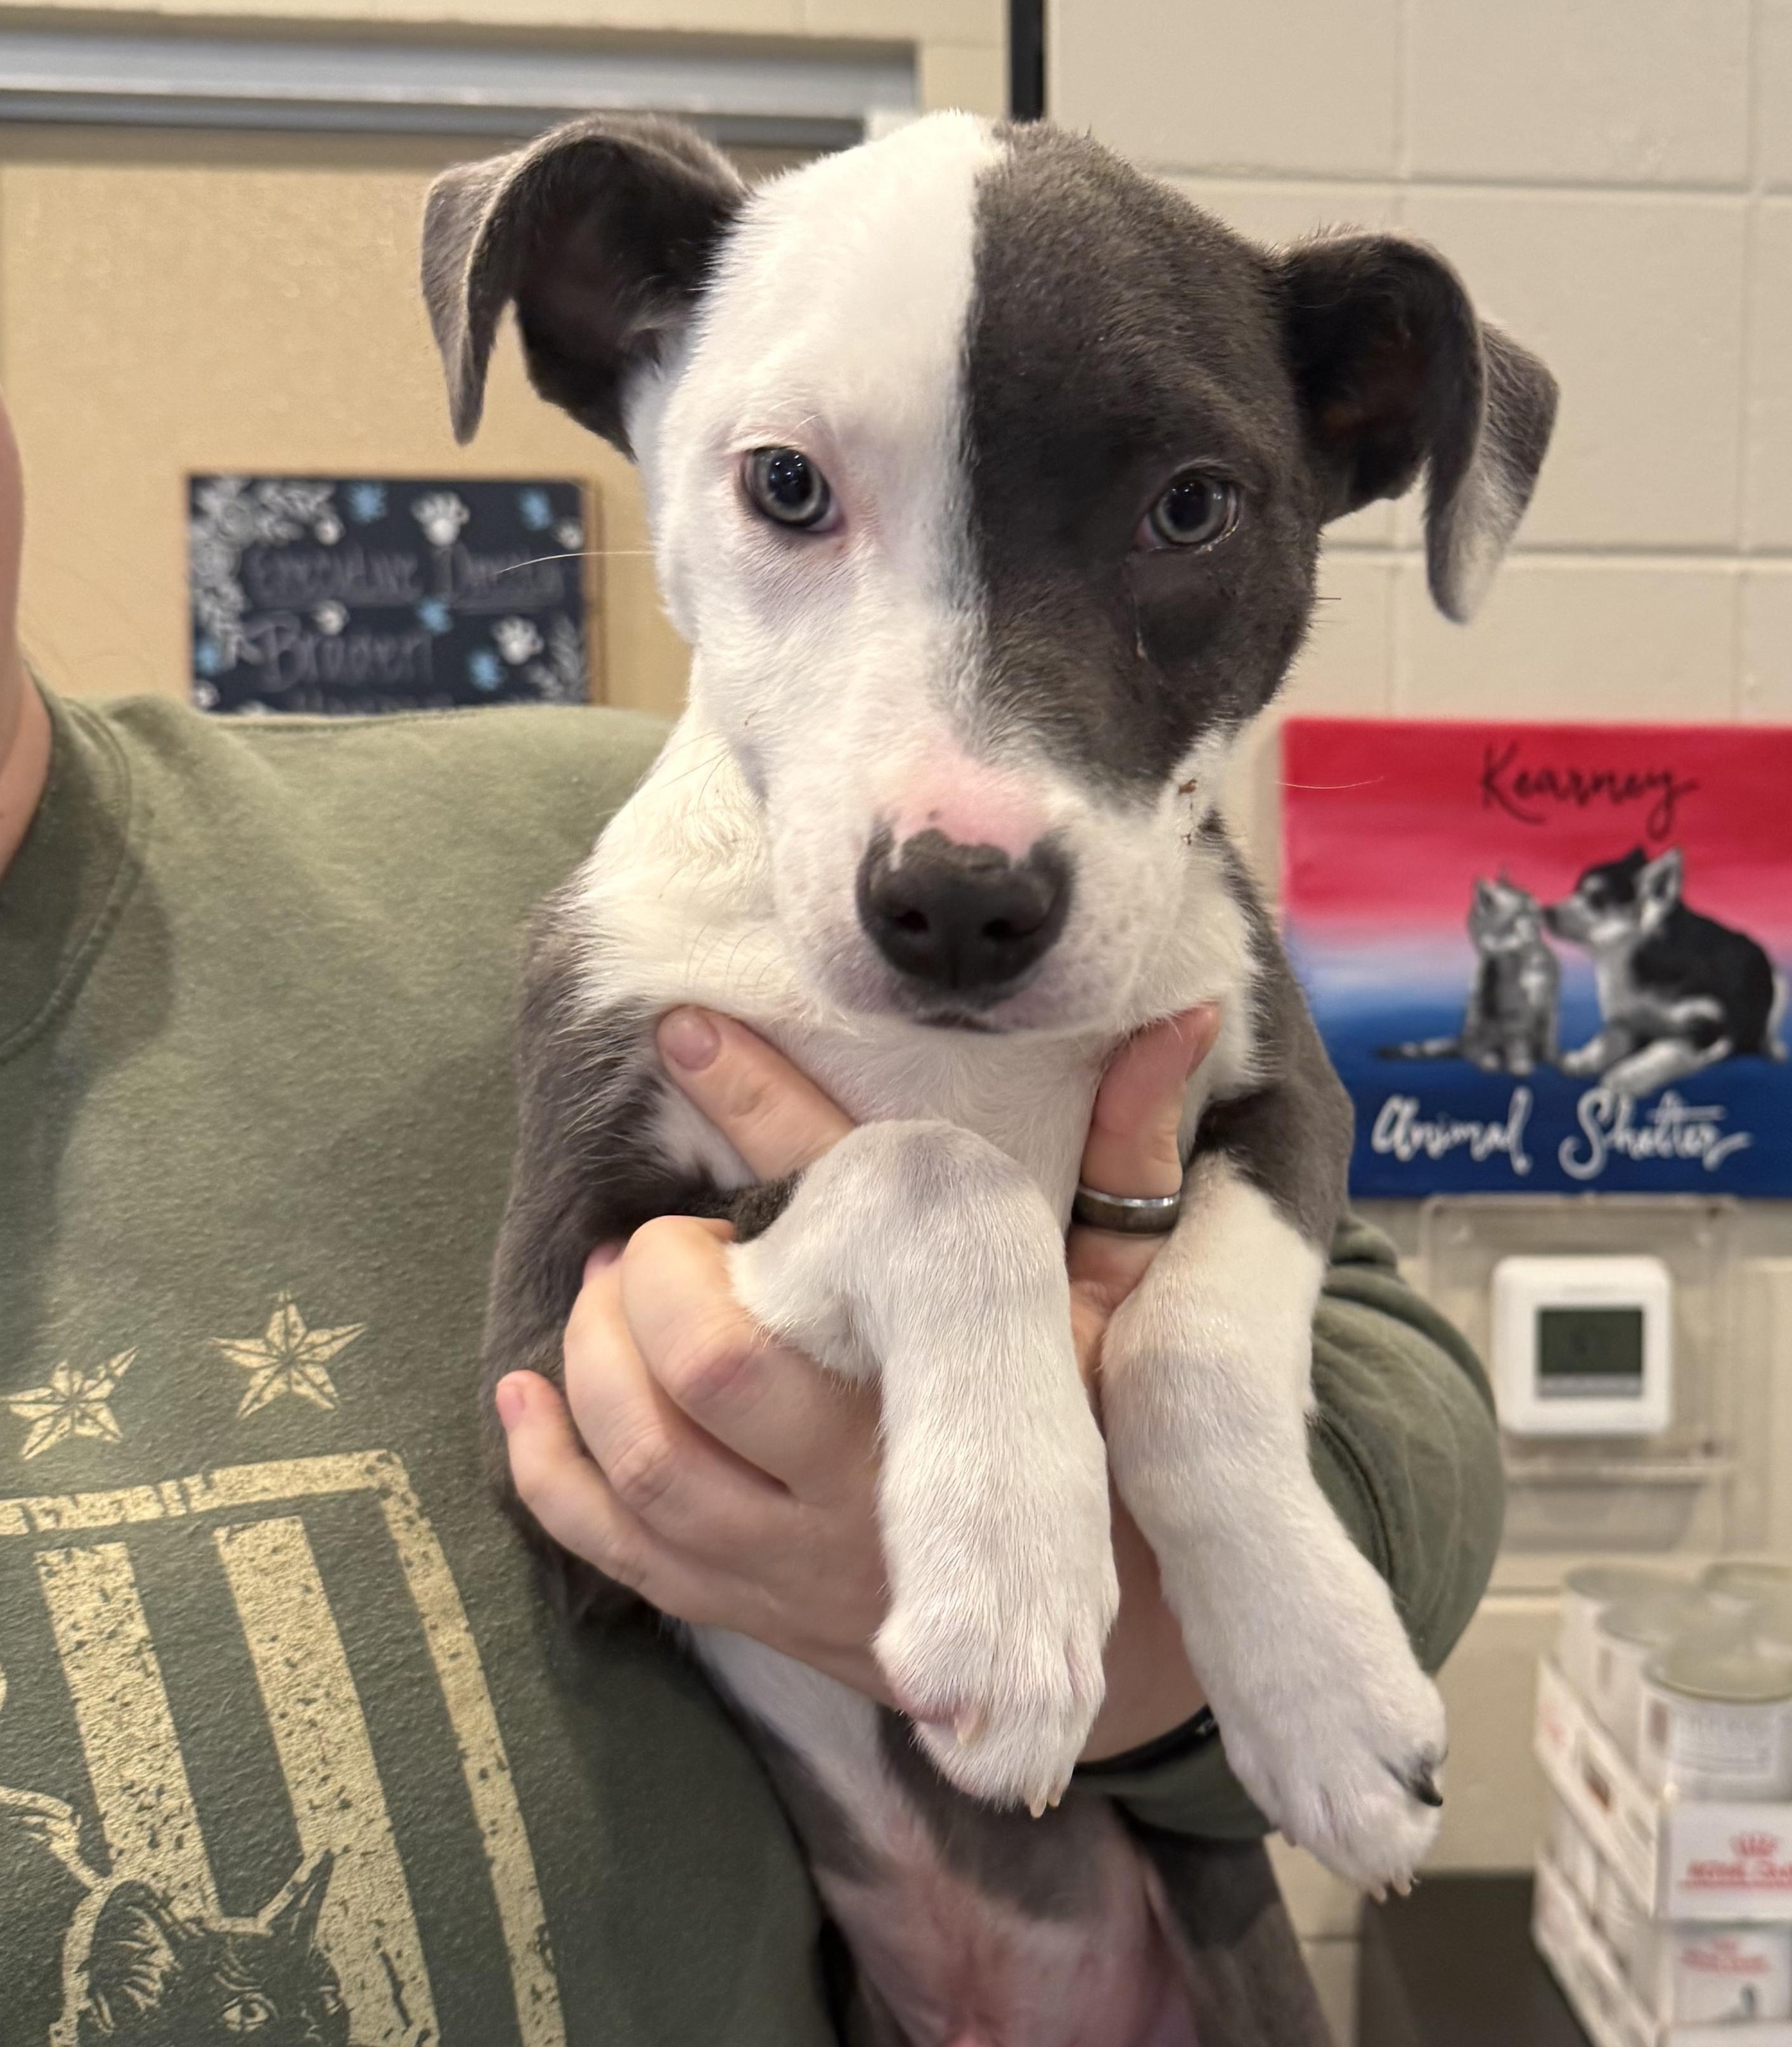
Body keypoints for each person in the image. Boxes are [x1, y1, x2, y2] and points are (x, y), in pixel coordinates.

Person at [0, 374, 1504, 2042]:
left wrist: (1177, 1610)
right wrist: (924, 1250)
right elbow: (566, 1420)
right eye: (793, 492)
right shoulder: (664, 903)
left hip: (1174, 1956)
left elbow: (1379, 1343)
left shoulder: (612, 814)